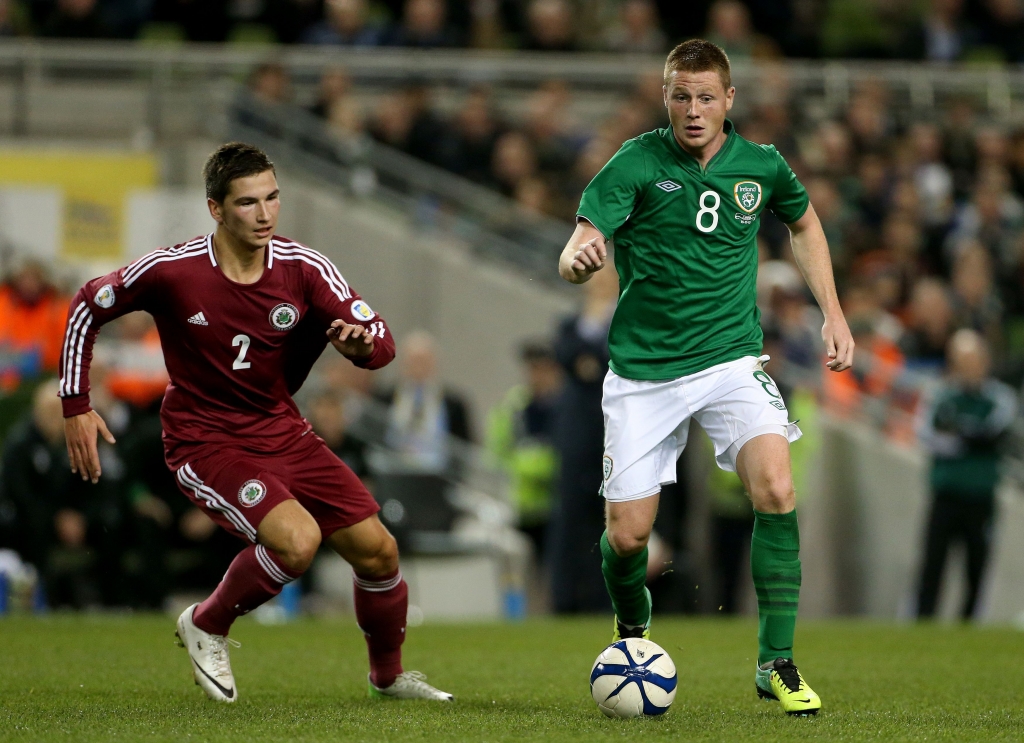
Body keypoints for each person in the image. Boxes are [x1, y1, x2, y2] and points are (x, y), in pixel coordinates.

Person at [59, 143, 452, 704]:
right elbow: (87, 304)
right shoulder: (173, 271)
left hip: (281, 430)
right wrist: (76, 404)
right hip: (205, 439)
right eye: (248, 203)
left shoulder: (304, 268)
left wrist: (360, 347)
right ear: (216, 210)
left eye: (272, 198)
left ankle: (387, 679)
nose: (266, 214)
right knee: (297, 541)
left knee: (378, 551)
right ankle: (207, 623)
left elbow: (381, 343)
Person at [558, 39, 855, 716]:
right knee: (629, 535)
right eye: (680, 95)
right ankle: (632, 630)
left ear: (729, 100)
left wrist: (833, 313)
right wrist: (579, 260)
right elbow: (580, 240)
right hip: (644, 372)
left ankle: (775, 661)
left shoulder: (762, 166)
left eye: (705, 96)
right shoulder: (634, 161)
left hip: (730, 359)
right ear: (665, 97)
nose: (693, 110)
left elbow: (805, 226)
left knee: (777, 485)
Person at [916, 329, 1016, 620]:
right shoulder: (940, 394)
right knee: (933, 563)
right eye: (963, 361)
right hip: (946, 492)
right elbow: (930, 436)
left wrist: (961, 434)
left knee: (976, 567)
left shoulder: (1000, 397)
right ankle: (922, 620)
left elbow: (996, 434)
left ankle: (970, 621)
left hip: (981, 494)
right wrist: (970, 440)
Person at [486, 342, 562, 559]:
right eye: (532, 369)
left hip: (556, 506)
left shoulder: (565, 407)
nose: (536, 376)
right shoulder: (514, 405)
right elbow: (497, 451)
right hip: (521, 509)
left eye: (542, 369)